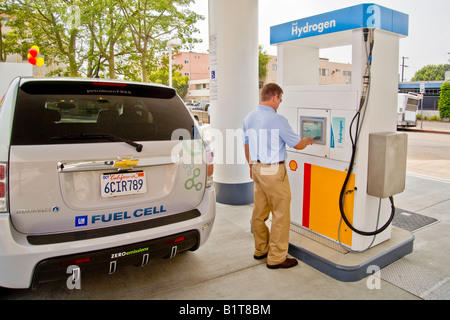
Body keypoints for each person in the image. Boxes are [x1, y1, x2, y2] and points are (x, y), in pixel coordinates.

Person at [243, 83, 313, 269]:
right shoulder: (277, 119)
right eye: (280, 99)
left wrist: (251, 166)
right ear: (274, 97)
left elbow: (246, 145)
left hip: (257, 168)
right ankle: (276, 258)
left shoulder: (249, 117)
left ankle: (261, 249)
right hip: (273, 171)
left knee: (259, 212)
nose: (280, 103)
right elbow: (297, 144)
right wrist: (307, 140)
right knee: (281, 214)